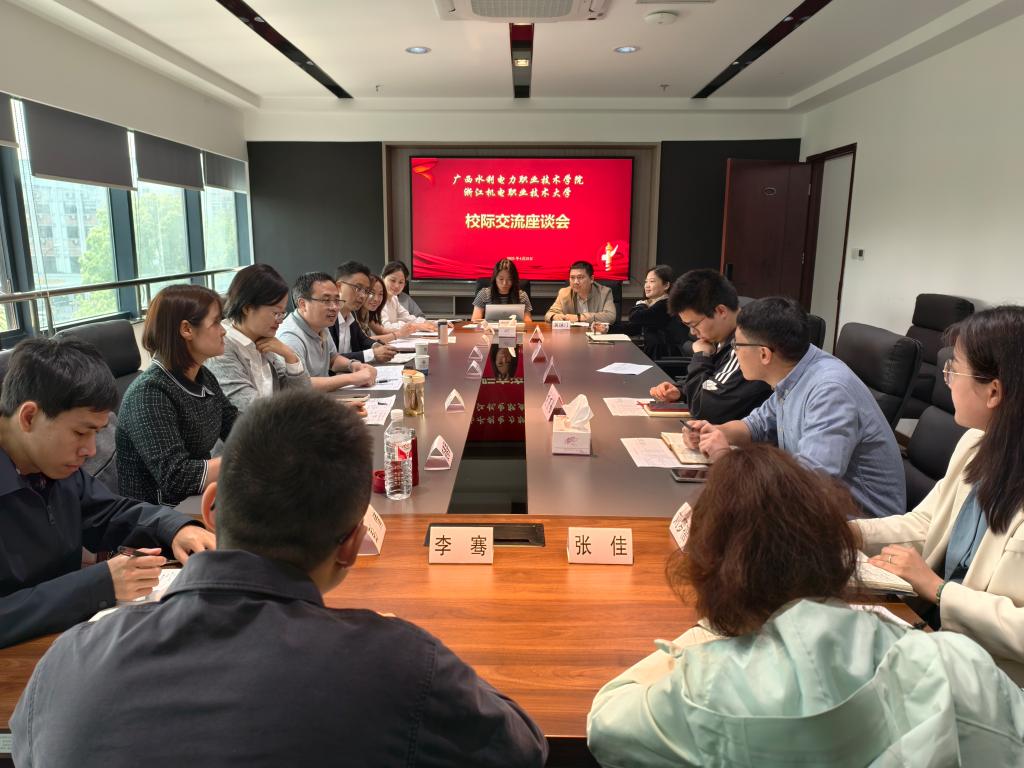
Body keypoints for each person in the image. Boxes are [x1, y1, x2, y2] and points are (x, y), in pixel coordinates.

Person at [12, 390, 549, 767]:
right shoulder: (400, 664)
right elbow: (523, 749)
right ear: (351, 544)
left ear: (212, 510)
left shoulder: (69, 660)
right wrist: (393, 644)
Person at [587, 445, 1024, 767]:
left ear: (710, 575)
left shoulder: (703, 688)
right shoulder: (960, 663)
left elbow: (606, 723)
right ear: (837, 554)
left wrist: (704, 632)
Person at [0, 337, 214, 648]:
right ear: (29, 417)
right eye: (80, 432)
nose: (90, 450)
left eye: (96, 433)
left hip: (70, 639)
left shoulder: (53, 466)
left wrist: (176, 528)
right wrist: (97, 586)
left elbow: (110, 513)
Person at [854, 306, 1024, 684]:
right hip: (938, 637)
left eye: (953, 370)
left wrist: (938, 589)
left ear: (994, 391)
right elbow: (926, 523)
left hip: (992, 678)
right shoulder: (977, 444)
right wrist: (852, 533)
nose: (946, 381)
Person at [684, 296, 904, 517]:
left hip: (858, 523)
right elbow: (757, 425)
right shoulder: (794, 370)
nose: (734, 352)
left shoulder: (830, 391)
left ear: (764, 354)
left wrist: (724, 457)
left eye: (736, 346)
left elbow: (810, 484)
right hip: (808, 505)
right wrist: (714, 432)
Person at [116, 285, 239, 506]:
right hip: (158, 514)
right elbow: (177, 478)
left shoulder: (203, 376)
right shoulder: (149, 394)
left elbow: (235, 426)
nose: (223, 331)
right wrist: (246, 457)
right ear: (186, 329)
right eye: (216, 322)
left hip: (195, 500)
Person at [649, 269, 771, 421]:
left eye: (694, 324)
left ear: (720, 311)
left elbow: (705, 408)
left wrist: (701, 356)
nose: (693, 332)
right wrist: (681, 391)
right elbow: (715, 380)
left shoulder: (747, 344)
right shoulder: (723, 335)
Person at [206, 264, 310, 412]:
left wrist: (289, 355)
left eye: (283, 313)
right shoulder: (221, 348)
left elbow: (302, 397)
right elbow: (250, 408)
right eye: (275, 313)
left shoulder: (264, 339)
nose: (280, 320)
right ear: (247, 308)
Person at [277, 272, 377, 393]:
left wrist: (353, 365)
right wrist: (351, 378)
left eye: (337, 300)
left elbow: (332, 358)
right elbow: (300, 385)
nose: (334, 307)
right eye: (326, 300)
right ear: (303, 304)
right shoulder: (290, 337)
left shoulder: (321, 325)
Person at [330, 261, 397, 363]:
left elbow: (362, 339)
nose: (362, 295)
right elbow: (330, 359)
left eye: (366, 291)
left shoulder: (351, 314)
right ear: (339, 287)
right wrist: (372, 354)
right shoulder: (327, 317)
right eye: (358, 288)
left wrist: (377, 346)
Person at [544, 261, 617, 325]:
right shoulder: (564, 293)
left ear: (591, 279)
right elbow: (548, 314)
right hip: (573, 334)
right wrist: (555, 316)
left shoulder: (604, 292)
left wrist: (579, 318)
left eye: (580, 277)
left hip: (595, 333)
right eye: (572, 277)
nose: (576, 282)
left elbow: (610, 316)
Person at [381, 261, 434, 333]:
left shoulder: (394, 298)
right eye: (392, 280)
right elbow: (385, 327)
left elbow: (407, 318)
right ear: (382, 278)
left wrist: (432, 323)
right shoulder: (377, 300)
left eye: (401, 282)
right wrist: (414, 326)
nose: (397, 286)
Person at [356, 274, 399, 343]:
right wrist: (399, 334)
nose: (376, 299)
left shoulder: (368, 313)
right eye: (371, 292)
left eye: (380, 294)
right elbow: (364, 341)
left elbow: (381, 331)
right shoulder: (352, 315)